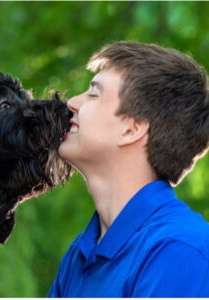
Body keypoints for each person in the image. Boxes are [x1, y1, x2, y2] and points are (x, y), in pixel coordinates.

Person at [48, 41, 209, 297]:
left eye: (93, 94)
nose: (72, 103)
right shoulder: (79, 254)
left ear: (132, 129)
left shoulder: (179, 249)